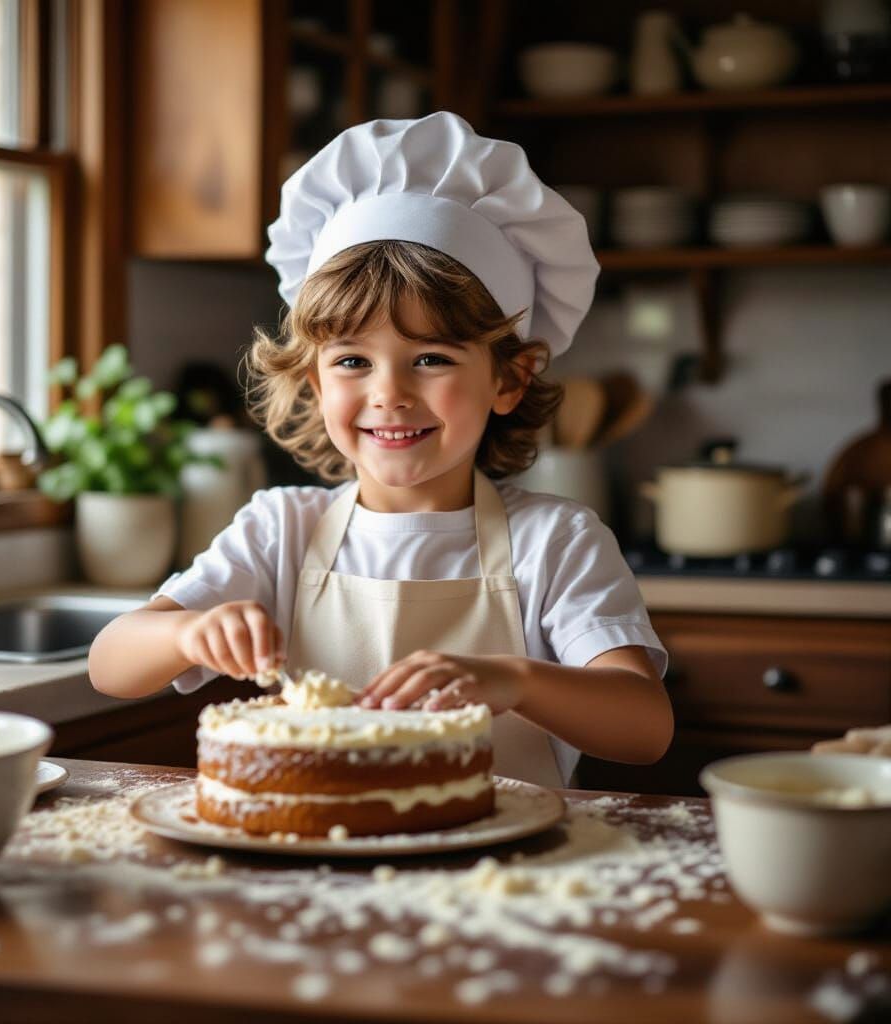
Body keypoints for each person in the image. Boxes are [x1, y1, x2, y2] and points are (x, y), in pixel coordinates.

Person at [88, 111, 673, 787]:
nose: (388, 394)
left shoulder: (555, 542)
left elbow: (645, 728)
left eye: (430, 358)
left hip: (504, 878)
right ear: (313, 381)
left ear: (509, 378)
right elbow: (110, 662)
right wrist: (186, 635)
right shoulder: (282, 530)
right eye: (352, 362)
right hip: (322, 866)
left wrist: (513, 680)